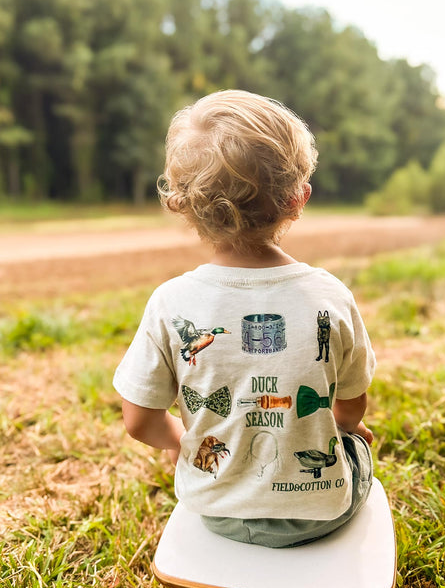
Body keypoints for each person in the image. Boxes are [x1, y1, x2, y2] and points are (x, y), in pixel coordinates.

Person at [113, 90, 376, 547]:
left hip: (217, 510)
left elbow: (138, 421)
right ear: (299, 199)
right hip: (321, 513)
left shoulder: (170, 302)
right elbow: (351, 405)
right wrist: (346, 429)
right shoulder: (330, 295)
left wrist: (181, 442)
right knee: (357, 447)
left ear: (183, 205)